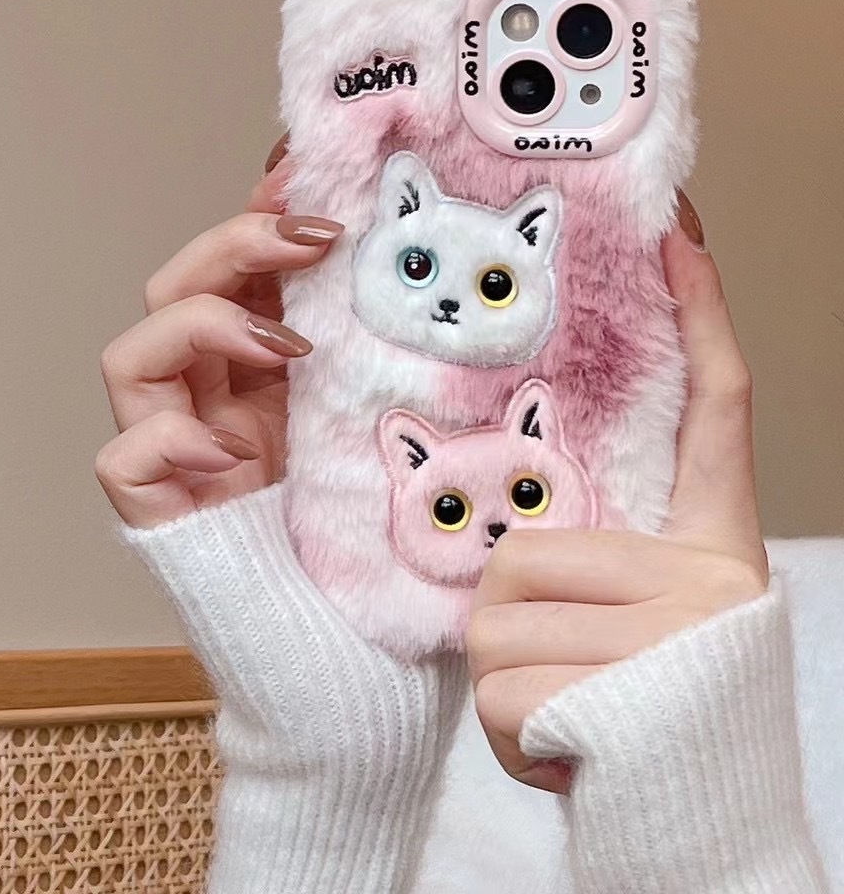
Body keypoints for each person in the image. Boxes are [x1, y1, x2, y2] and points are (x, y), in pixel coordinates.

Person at [96, 137, 842, 893]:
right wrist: (330, 767)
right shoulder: (628, 621)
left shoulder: (677, 632)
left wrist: (704, 828)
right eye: (421, 267)